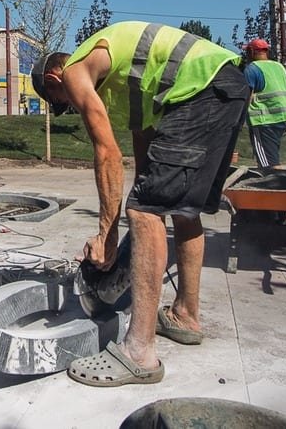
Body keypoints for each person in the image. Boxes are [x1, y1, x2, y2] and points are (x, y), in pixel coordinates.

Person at [31, 21, 249, 387]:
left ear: (54, 82)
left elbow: (106, 153)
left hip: (200, 90)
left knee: (144, 211)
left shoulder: (73, 70)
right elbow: (143, 161)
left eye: (61, 104)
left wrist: (107, 234)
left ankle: (139, 353)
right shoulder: (131, 82)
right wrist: (139, 201)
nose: (69, 105)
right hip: (226, 84)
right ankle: (185, 316)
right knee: (179, 209)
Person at [241, 38, 286, 169]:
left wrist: (239, 119)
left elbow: (246, 97)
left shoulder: (252, 69)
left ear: (252, 51)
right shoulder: (279, 67)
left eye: (247, 52)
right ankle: (277, 181)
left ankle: (276, 185)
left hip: (263, 120)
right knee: (272, 156)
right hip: (284, 118)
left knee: (267, 163)